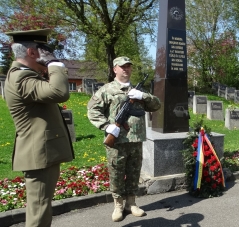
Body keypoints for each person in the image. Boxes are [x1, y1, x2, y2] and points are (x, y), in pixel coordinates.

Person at [4, 28, 75, 227]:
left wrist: (48, 68)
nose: (48, 55)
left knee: (41, 207)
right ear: (32, 53)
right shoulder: (21, 77)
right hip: (38, 155)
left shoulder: (27, 75)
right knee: (39, 211)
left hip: (42, 152)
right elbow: (60, 91)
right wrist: (53, 64)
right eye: (45, 50)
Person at [87, 56, 161, 222]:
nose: (126, 69)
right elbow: (92, 110)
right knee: (116, 173)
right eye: (122, 67)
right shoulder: (107, 90)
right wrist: (106, 126)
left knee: (134, 173)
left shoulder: (137, 91)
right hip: (117, 142)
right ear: (115, 69)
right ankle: (118, 205)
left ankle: (131, 203)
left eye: (128, 66)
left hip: (135, 140)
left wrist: (144, 96)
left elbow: (156, 105)